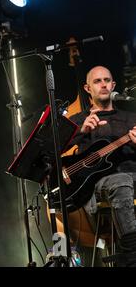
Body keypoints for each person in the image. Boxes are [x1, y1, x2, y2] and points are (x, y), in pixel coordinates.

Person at [68, 65, 136, 266]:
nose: (103, 84)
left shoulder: (131, 118)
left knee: (124, 179)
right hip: (98, 185)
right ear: (88, 88)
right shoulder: (78, 120)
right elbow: (53, 150)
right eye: (97, 81)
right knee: (120, 181)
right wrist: (81, 131)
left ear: (113, 85)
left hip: (133, 175)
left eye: (107, 80)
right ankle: (133, 256)